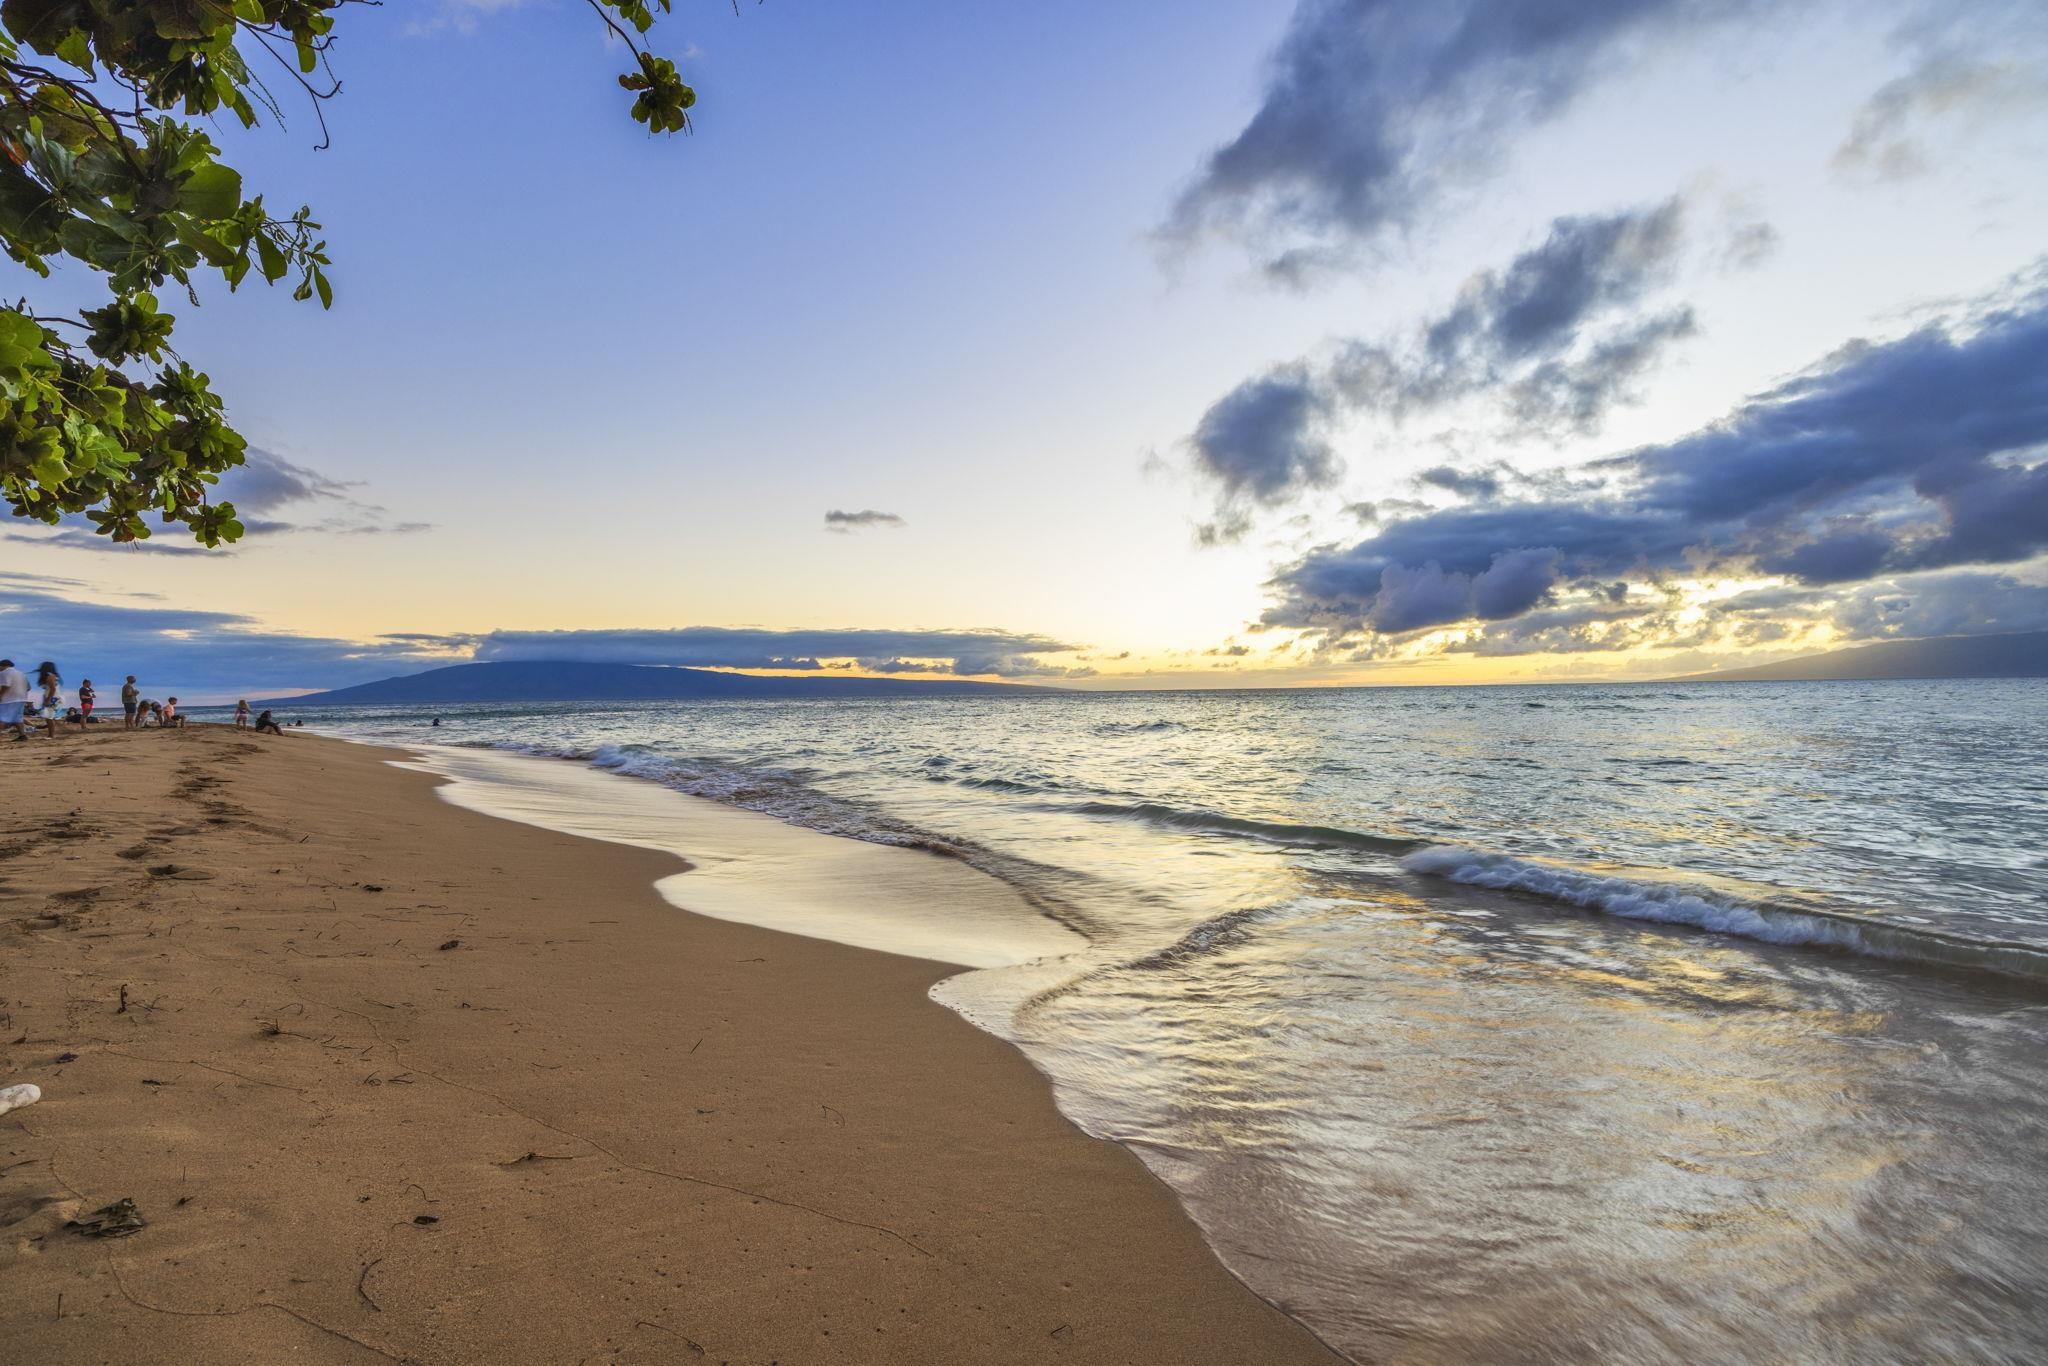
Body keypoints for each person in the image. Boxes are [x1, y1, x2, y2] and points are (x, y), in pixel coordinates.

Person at [0, 659, 28, 741]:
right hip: (22, 699)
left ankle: (22, 736)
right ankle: (22, 736)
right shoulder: (21, 674)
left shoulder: (4, 673)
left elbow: (6, 685)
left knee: (2, 718)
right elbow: (27, 687)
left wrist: (0, 695)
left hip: (9, 699)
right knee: (18, 718)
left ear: (2, 666)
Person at [32, 662, 61, 738]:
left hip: (52, 698)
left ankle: (51, 735)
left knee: (48, 717)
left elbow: (53, 689)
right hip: (53, 697)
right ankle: (51, 735)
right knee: (49, 717)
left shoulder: (50, 676)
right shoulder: (53, 676)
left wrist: (48, 699)